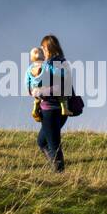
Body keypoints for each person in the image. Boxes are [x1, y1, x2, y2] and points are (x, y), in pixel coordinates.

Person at [29, 34, 69, 172]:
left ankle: (59, 174)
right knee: (42, 141)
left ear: (48, 48)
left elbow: (62, 88)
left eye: (43, 47)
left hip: (52, 110)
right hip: (57, 109)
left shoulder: (54, 64)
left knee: (54, 146)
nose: (41, 50)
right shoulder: (59, 61)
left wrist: (40, 92)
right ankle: (57, 169)